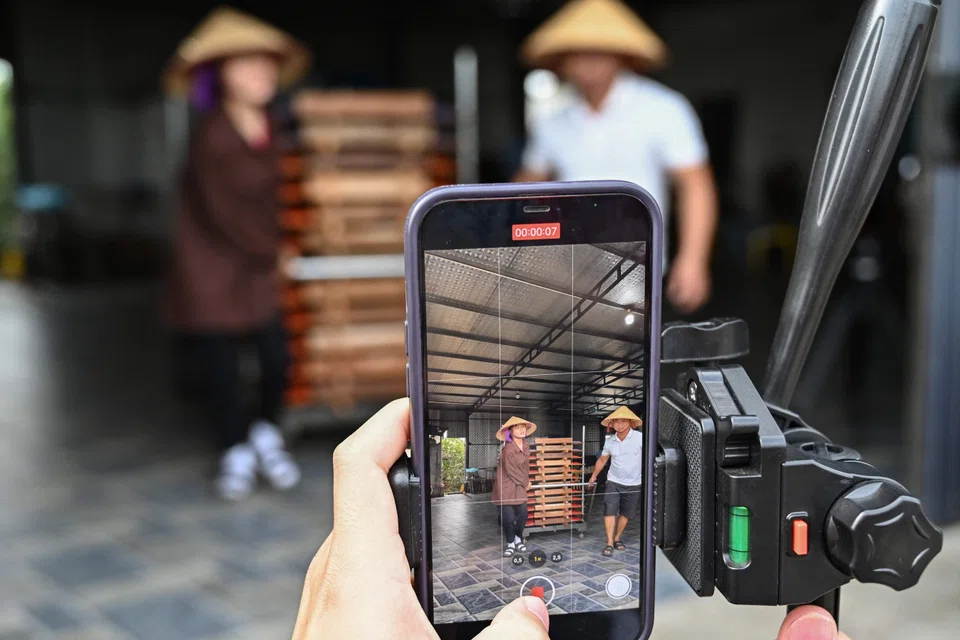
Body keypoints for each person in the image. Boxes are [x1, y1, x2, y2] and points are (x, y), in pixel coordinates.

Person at [294, 398, 850, 640]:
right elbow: (590, 461)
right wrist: (587, 477)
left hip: (618, 492)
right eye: (515, 432)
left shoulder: (550, 449)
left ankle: (601, 549)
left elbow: (563, 463)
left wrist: (564, 477)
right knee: (516, 524)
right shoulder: (527, 450)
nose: (518, 436)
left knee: (611, 520)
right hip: (529, 496)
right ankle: (548, 548)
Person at [161, 7, 311, 501]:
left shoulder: (270, 125)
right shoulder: (213, 135)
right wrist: (276, 252)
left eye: (266, 65)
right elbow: (224, 214)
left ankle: (264, 434)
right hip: (211, 266)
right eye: (248, 66)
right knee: (222, 369)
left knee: (275, 356)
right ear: (221, 77)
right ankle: (234, 450)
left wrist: (278, 246)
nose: (262, 74)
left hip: (253, 263)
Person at [514, 0, 719, 315]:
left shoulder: (664, 108)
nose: (587, 65)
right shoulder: (553, 121)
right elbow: (526, 185)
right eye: (576, 55)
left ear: (621, 57)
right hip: (568, 270)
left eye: (597, 54)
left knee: (638, 360)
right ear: (562, 62)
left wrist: (693, 260)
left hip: (640, 267)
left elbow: (695, 185)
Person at [588, 406, 643, 557]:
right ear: (611, 424)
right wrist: (593, 476)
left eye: (623, 421)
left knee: (626, 513)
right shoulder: (610, 441)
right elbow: (602, 460)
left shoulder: (640, 438)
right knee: (609, 511)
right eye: (616, 422)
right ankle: (609, 542)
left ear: (630, 422)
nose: (619, 424)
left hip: (634, 482)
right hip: (613, 481)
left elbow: (650, 458)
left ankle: (617, 537)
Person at [490, 416, 536, 557]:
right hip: (506, 487)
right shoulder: (508, 449)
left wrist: (525, 481)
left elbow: (525, 468)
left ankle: (518, 539)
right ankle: (510, 543)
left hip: (519, 485)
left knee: (522, 515)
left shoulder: (526, 445)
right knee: (508, 518)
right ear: (510, 431)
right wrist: (526, 483)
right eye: (517, 427)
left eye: (523, 426)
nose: (522, 429)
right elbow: (512, 471)